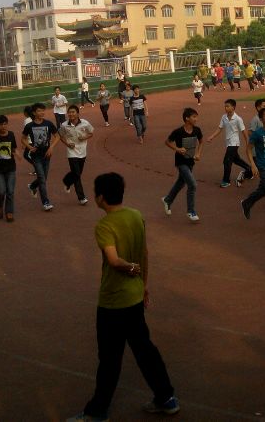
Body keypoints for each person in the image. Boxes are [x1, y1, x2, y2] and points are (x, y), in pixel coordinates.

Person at [67, 172, 179, 421]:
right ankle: (166, 397)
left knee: (109, 357)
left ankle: (97, 411)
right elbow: (144, 252)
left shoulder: (104, 226)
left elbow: (114, 260)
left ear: (101, 198)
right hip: (135, 297)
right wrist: (143, 284)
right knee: (144, 349)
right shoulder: (136, 215)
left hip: (113, 301)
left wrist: (130, 268)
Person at [162, 108, 203, 222]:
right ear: (187, 118)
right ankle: (191, 211)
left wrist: (198, 153)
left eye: (196, 117)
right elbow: (167, 142)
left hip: (190, 161)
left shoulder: (197, 130)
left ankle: (167, 200)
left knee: (181, 182)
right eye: (194, 117)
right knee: (192, 185)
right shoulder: (178, 132)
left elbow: (201, 141)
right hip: (180, 162)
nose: (196, 119)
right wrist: (177, 149)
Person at [206, 99, 253, 188]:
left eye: (228, 106)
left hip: (234, 143)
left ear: (233, 107)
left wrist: (248, 144)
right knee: (236, 159)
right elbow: (220, 128)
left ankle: (226, 181)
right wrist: (212, 136)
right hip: (228, 143)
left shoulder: (238, 119)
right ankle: (250, 170)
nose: (226, 108)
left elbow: (244, 132)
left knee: (227, 161)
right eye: (225, 106)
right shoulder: (224, 117)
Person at [23, 102, 59, 212]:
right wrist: (29, 147)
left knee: (43, 178)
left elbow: (57, 136)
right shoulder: (29, 126)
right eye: (39, 111)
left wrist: (51, 147)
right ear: (34, 113)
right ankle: (46, 202)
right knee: (42, 179)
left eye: (43, 110)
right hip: (36, 156)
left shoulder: (48, 123)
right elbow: (23, 139)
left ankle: (33, 186)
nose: (42, 112)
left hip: (47, 155)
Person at [60, 104, 95, 206]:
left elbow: (91, 133)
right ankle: (82, 197)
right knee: (77, 174)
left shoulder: (85, 123)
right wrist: (67, 144)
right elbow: (61, 136)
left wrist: (84, 137)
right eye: (69, 112)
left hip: (82, 151)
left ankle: (67, 182)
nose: (71, 114)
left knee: (77, 173)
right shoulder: (64, 125)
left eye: (73, 112)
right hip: (71, 152)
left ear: (78, 114)